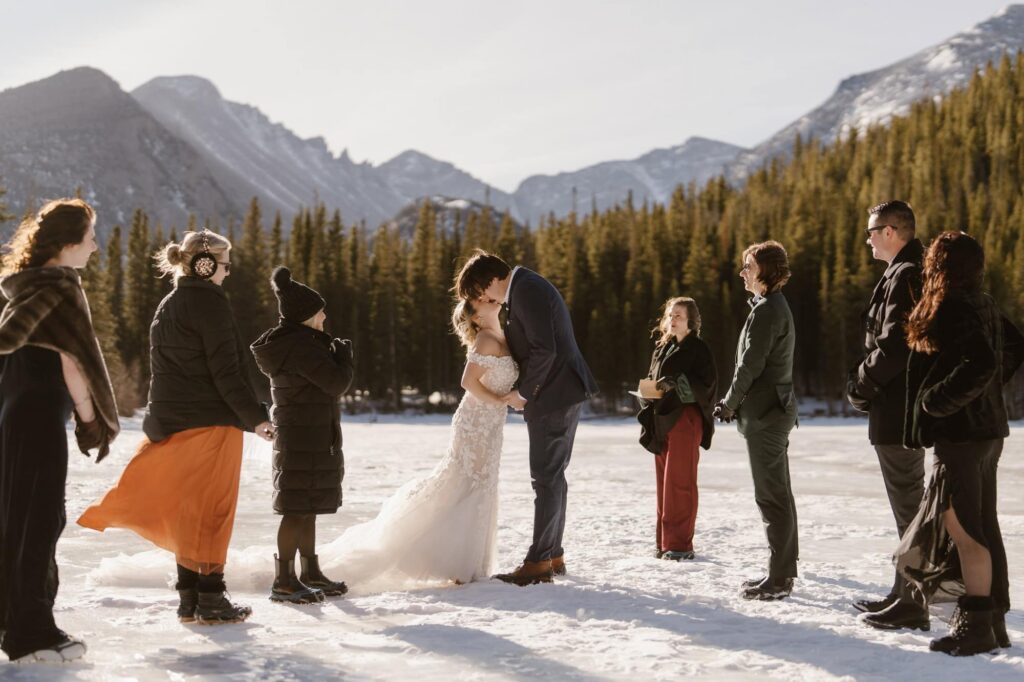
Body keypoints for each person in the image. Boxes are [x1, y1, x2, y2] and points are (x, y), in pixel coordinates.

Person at [78, 229, 273, 625]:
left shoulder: (168, 304)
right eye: (224, 264)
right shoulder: (210, 306)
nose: (228, 272)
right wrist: (256, 418)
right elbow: (226, 372)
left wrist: (157, 418)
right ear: (204, 265)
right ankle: (212, 599)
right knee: (213, 513)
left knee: (188, 513)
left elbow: (163, 372)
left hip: (171, 422)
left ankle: (189, 598)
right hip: (210, 424)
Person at [315, 296, 516, 591]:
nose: (489, 299)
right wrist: (500, 400)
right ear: (475, 317)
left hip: (492, 423)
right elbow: (468, 382)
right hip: (475, 420)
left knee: (482, 483)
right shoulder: (486, 338)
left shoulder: (503, 335)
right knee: (469, 483)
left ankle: (470, 563)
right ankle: (455, 563)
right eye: (481, 300)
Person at [0, 198, 119, 662]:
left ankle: (14, 620)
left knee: (13, 519)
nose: (95, 246)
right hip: (40, 415)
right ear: (68, 243)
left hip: (10, 413)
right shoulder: (62, 287)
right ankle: (32, 634)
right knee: (41, 521)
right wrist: (90, 419)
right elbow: (73, 360)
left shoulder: (24, 288)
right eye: (90, 237)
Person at [896, 231, 1024, 656]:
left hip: (963, 435)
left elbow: (983, 362)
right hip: (987, 432)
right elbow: (1010, 348)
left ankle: (977, 626)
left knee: (967, 531)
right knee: (982, 525)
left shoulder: (953, 304)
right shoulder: (980, 301)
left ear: (938, 263)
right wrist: (986, 394)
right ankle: (994, 623)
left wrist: (936, 403)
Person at [456, 250, 598, 585]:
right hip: (560, 392)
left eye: (479, 291)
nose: (481, 299)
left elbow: (544, 349)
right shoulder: (525, 287)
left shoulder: (527, 289)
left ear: (491, 279)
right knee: (553, 476)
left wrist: (523, 393)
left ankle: (538, 563)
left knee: (546, 477)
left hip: (553, 394)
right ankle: (552, 553)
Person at [845, 200, 929, 630]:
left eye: (873, 231)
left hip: (898, 409)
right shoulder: (901, 272)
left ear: (893, 231)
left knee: (910, 505)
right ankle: (904, 591)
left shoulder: (908, 274)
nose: (868, 238)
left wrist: (861, 385)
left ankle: (914, 601)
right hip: (895, 407)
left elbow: (895, 343)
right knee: (907, 505)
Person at [251, 267, 354, 603]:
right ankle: (283, 580)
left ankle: (309, 573)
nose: (325, 315)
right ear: (307, 315)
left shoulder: (298, 344)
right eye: (319, 310)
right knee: (296, 509)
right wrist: (344, 359)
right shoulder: (301, 348)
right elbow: (336, 384)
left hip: (306, 437)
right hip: (303, 439)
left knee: (306, 507)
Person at [714, 240, 799, 601]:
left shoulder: (768, 311)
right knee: (777, 492)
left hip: (767, 415)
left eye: (748, 266)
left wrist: (729, 403)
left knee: (771, 495)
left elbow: (750, 366)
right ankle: (783, 570)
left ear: (765, 270)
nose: (742, 273)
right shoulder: (768, 306)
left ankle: (779, 579)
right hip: (773, 411)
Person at [639, 297, 717, 561]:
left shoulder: (698, 349)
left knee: (680, 483)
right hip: (662, 420)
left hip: (686, 420)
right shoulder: (662, 348)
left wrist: (677, 383)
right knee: (664, 483)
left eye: (679, 316)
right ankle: (664, 542)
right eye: (671, 315)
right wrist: (646, 392)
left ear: (691, 321)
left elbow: (706, 386)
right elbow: (651, 381)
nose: (672, 320)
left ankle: (680, 545)